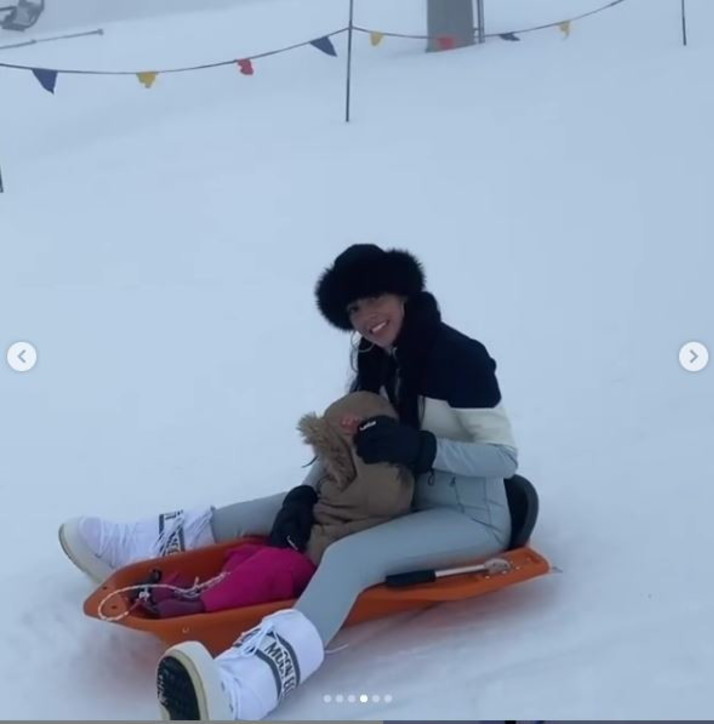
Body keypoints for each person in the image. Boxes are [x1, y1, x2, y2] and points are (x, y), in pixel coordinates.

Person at [59, 244, 519, 720]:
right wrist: (305, 493)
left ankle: (246, 686)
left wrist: (421, 449)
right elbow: (341, 441)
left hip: (467, 518)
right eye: (354, 309)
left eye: (375, 299)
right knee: (276, 508)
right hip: (397, 498)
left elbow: (504, 460)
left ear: (403, 293)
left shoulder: (459, 358)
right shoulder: (376, 357)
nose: (367, 318)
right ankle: (136, 545)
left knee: (348, 559)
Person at [132, 390, 414, 618]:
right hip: (305, 545)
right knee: (246, 555)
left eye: (334, 450)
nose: (326, 460)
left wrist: (359, 438)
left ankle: (201, 606)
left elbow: (372, 507)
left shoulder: (385, 485)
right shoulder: (338, 475)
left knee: (272, 568)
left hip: (320, 564)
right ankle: (197, 591)